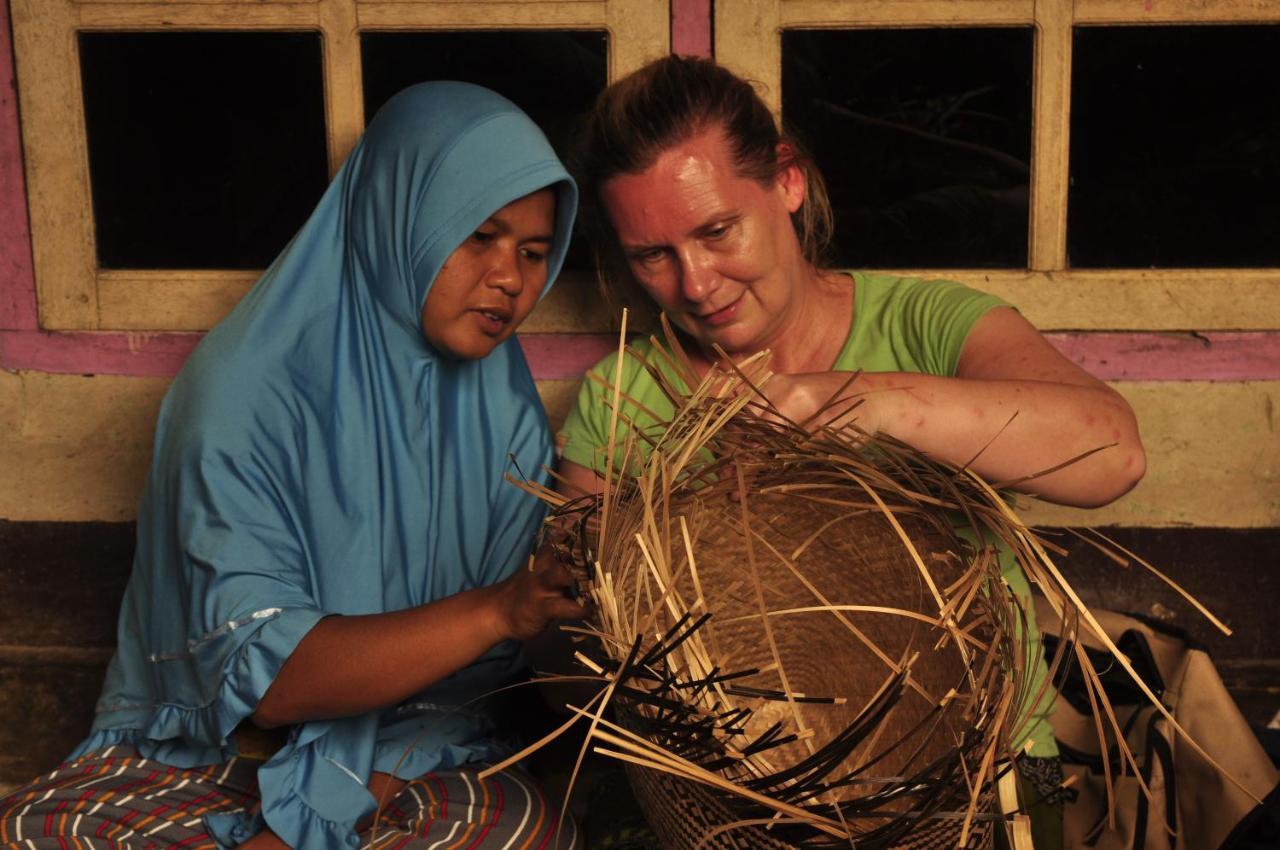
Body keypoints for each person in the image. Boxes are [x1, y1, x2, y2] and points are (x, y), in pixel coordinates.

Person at [556, 56, 1147, 850]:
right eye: (651, 255)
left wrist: (866, 401)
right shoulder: (622, 398)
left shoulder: (928, 324)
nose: (694, 284)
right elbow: (584, 654)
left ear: (788, 183)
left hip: (1009, 763)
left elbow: (1113, 453)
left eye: (716, 230)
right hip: (740, 814)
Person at [0, 83, 584, 850]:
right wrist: (494, 610)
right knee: (48, 833)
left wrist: (350, 796)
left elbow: (481, 686)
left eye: (534, 252)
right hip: (216, 759)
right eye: (480, 235)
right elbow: (266, 688)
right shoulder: (243, 389)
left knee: (515, 836)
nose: (510, 277)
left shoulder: (500, 409)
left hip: (418, 754)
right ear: (396, 216)